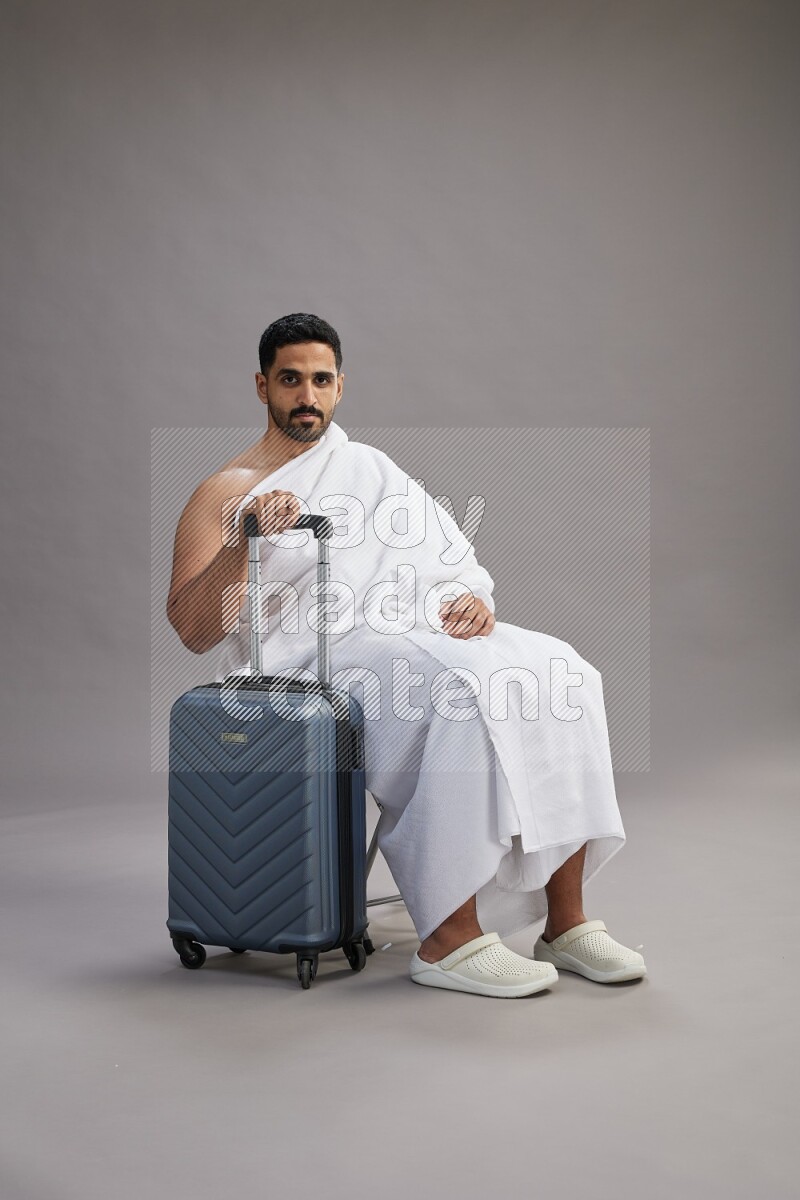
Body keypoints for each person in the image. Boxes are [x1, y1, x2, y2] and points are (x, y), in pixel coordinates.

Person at [166, 312, 647, 999]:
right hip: (309, 663)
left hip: (408, 628)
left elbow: (448, 559)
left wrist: (471, 599)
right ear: (262, 385)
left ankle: (564, 924)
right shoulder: (223, 490)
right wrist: (244, 539)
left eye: (321, 380)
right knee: (452, 689)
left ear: (340, 387)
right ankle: (448, 937)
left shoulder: (369, 468)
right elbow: (191, 627)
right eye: (290, 380)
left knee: (560, 670)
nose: (307, 395)